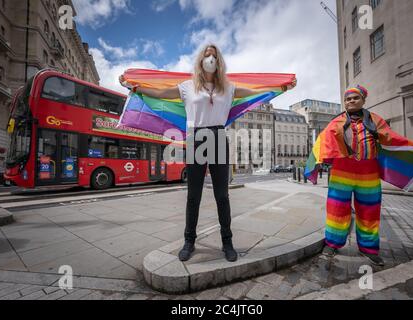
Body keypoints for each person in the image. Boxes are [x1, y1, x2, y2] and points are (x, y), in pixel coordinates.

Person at [120, 44, 296, 262]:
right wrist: (136, 87)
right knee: (194, 195)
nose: (210, 59)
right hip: (196, 138)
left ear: (219, 61)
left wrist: (281, 87)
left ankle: (227, 242)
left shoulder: (229, 88)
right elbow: (161, 93)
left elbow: (256, 92)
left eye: (214, 56)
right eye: (207, 55)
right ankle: (189, 241)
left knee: (222, 195)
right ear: (200, 61)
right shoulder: (186, 86)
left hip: (219, 138)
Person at [305, 85, 413, 267]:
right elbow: (322, 141)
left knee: (370, 212)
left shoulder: (375, 120)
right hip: (342, 173)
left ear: (363, 100)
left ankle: (369, 248)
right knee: (337, 210)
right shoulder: (336, 121)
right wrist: (316, 160)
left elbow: (391, 138)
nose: (351, 101)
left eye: (355, 98)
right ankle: (332, 244)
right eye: (348, 99)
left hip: (369, 174)